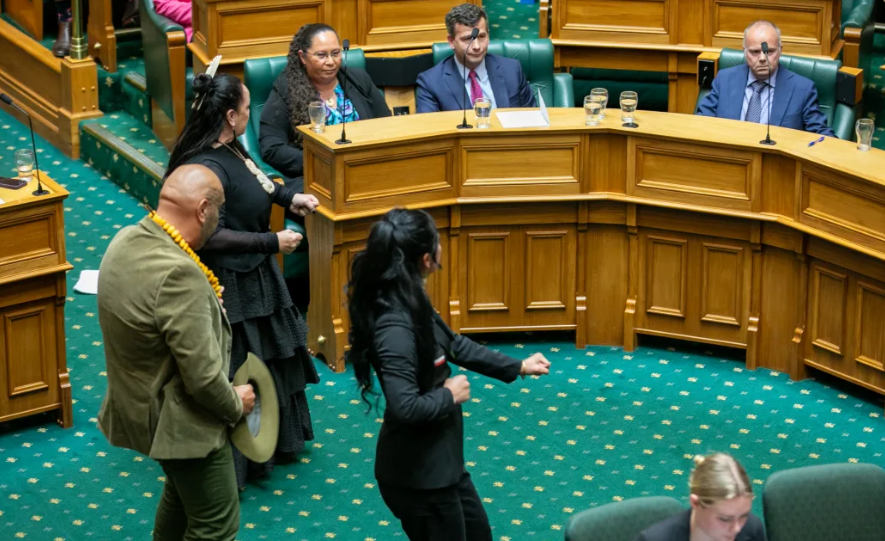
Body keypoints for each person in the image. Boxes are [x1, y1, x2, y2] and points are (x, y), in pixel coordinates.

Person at [346, 208, 552, 541]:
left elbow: (454, 346)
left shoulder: (410, 296)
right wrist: (449, 394)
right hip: (417, 478)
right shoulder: (394, 327)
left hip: (442, 464)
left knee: (478, 534)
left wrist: (518, 366)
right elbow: (403, 406)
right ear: (427, 259)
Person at [165, 71, 321, 490]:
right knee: (239, 372)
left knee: (269, 361)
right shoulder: (202, 167)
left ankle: (276, 443)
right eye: (247, 109)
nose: (250, 115)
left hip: (257, 274)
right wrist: (272, 240)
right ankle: (239, 464)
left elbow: (258, 180)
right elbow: (209, 235)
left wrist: (291, 197)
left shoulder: (231, 146)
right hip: (228, 284)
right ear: (231, 116)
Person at [97, 164, 256, 540]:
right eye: (218, 212)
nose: (218, 222)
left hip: (138, 408)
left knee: (184, 499)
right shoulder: (179, 275)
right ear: (203, 209)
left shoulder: (126, 238)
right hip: (181, 423)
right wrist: (235, 405)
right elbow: (202, 379)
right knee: (216, 526)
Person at [260, 23, 391, 192]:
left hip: (366, 171)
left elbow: (387, 124)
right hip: (318, 179)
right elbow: (272, 148)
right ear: (302, 56)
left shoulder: (358, 78)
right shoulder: (287, 88)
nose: (331, 62)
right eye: (321, 55)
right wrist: (320, 162)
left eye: (336, 53)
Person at [696, 20, 835, 137]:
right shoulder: (724, 79)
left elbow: (822, 136)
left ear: (780, 50)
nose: (762, 58)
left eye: (769, 51)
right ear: (744, 51)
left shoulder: (802, 89)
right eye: (755, 52)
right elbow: (701, 124)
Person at [416, 3, 535, 114]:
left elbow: (532, 119)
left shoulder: (512, 70)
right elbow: (430, 129)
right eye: (468, 39)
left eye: (482, 36)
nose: (477, 46)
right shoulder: (430, 83)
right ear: (451, 42)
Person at [633, 453, 767, 541]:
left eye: (743, 516)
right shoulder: (654, 539)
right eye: (725, 519)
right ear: (695, 503)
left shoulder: (752, 529)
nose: (737, 528)